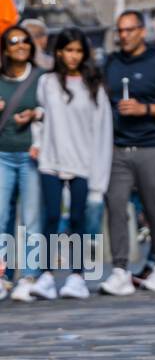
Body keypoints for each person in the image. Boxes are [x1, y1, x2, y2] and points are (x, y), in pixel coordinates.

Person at [102, 10, 155, 296]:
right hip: (118, 147)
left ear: (141, 31)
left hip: (153, 144)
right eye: (120, 31)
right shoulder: (111, 63)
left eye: (129, 30)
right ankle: (119, 269)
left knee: (154, 205)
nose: (124, 36)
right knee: (115, 204)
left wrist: (145, 109)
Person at [27, 28, 112, 299]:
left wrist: (99, 176)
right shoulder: (47, 82)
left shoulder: (93, 86)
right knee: (51, 217)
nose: (72, 56)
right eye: (68, 50)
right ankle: (47, 274)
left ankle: (77, 275)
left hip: (83, 161)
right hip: (51, 159)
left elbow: (102, 129)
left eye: (78, 51)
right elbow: (41, 116)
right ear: (59, 52)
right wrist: (37, 142)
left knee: (78, 219)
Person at [0, 25, 45, 301]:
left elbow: (53, 107)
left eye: (25, 41)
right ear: (5, 49)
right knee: (1, 217)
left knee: (30, 219)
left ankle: (29, 275)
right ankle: (3, 275)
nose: (20, 45)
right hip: (2, 155)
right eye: (14, 41)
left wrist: (36, 114)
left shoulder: (41, 78)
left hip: (30, 154)